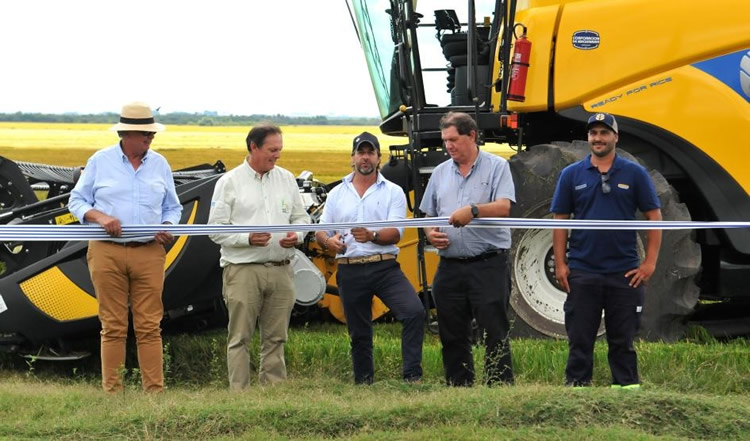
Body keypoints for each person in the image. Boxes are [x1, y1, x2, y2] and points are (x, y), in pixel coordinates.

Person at [68, 102, 182, 393]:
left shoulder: (160, 164)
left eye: (151, 134)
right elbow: (76, 202)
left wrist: (167, 225)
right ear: (127, 133)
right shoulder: (100, 161)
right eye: (145, 134)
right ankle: (113, 393)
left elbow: (173, 207)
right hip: (106, 251)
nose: (150, 139)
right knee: (113, 325)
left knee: (149, 326)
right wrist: (100, 217)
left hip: (149, 252)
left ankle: (154, 393)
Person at [551, 112, 662, 389]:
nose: (598, 138)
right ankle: (577, 391)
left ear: (615, 137)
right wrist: (561, 264)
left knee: (623, 341)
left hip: (624, 273)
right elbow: (559, 222)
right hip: (583, 272)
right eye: (593, 133)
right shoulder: (571, 175)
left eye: (604, 133)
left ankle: (626, 393)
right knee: (579, 340)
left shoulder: (634, 173)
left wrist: (649, 264)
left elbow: (655, 217)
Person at [315, 132, 424, 385]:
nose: (365, 158)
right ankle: (364, 382)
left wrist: (372, 235)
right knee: (359, 331)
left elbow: (395, 233)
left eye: (370, 153)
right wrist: (329, 242)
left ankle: (412, 376)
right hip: (349, 269)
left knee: (413, 312)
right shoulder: (337, 194)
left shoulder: (393, 192)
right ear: (352, 158)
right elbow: (322, 230)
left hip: (384, 267)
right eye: (361, 153)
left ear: (378, 157)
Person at [208, 123, 309, 390]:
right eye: (272, 150)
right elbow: (214, 230)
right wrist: (246, 238)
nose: (277, 155)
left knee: (277, 337)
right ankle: (240, 394)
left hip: (281, 268)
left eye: (280, 150)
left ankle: (273, 392)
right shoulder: (228, 183)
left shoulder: (286, 179)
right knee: (240, 336)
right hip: (243, 270)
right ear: (254, 147)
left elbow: (301, 218)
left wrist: (296, 236)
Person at [419, 112, 515, 386]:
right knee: (451, 332)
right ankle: (459, 386)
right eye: (445, 141)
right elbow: (429, 215)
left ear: (471, 136)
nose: (448, 146)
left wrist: (473, 211)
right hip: (450, 266)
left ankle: (499, 386)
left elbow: (505, 207)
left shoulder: (497, 167)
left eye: (453, 139)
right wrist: (431, 234)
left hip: (488, 264)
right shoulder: (440, 172)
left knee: (494, 330)